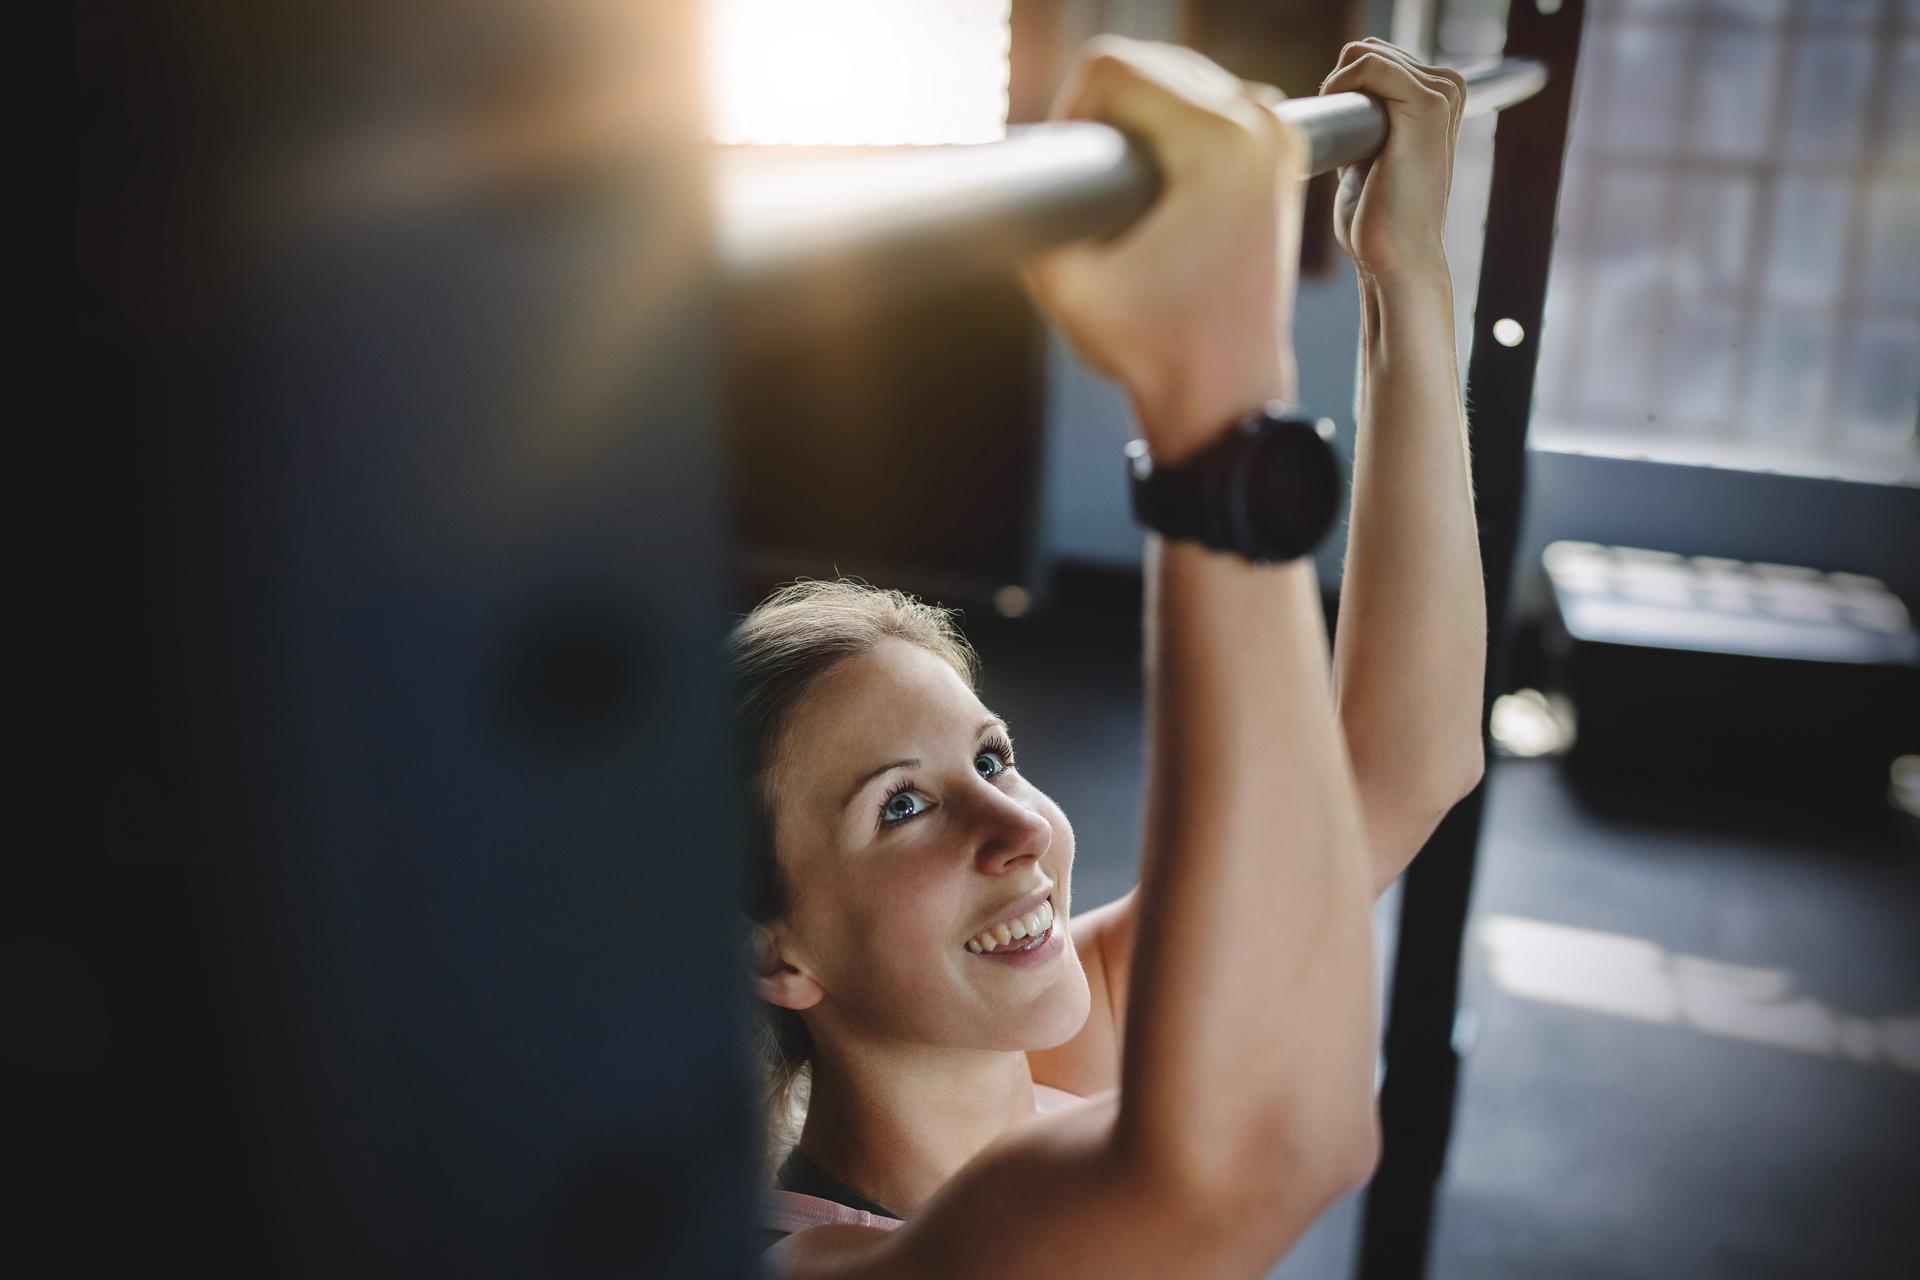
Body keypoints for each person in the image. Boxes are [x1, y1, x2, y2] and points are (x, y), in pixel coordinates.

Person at [733, 35, 1487, 1277]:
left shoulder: (1045, 1046)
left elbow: (1397, 767)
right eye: (903, 804)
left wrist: (1407, 274)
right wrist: (1208, 394)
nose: (1019, 827)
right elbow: (1266, 1149)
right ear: (777, 950)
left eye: (993, 754)